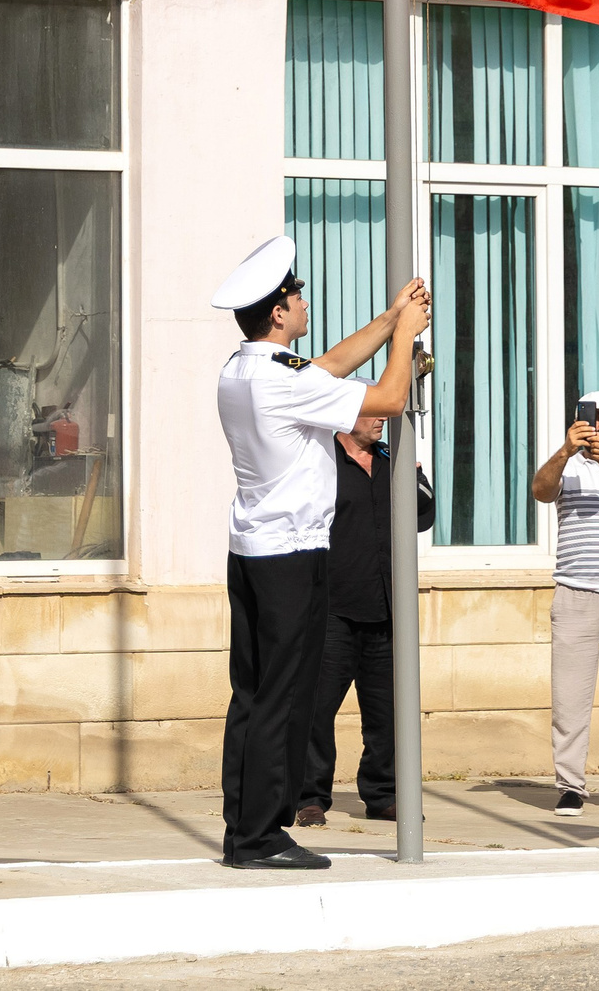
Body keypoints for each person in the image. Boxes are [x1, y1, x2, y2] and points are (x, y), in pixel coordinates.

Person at [208, 237, 430, 871]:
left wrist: (390, 319)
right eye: (296, 295)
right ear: (278, 313)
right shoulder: (280, 382)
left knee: (252, 694)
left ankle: (242, 827)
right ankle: (261, 836)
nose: (304, 302)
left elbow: (328, 365)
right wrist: (405, 340)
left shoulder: (242, 368)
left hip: (253, 550)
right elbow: (385, 399)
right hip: (292, 558)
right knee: (285, 696)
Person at [296, 394, 434, 826]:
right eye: (372, 410)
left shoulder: (395, 457)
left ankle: (385, 794)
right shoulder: (321, 459)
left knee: (390, 711)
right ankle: (308, 797)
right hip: (333, 608)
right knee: (316, 710)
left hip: (388, 607)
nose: (381, 419)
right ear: (344, 414)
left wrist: (413, 479)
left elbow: (424, 516)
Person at [531, 390, 599, 818]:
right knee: (570, 700)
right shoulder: (565, 466)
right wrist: (566, 450)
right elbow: (541, 491)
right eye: (591, 418)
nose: (598, 425)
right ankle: (571, 785)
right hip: (573, 593)